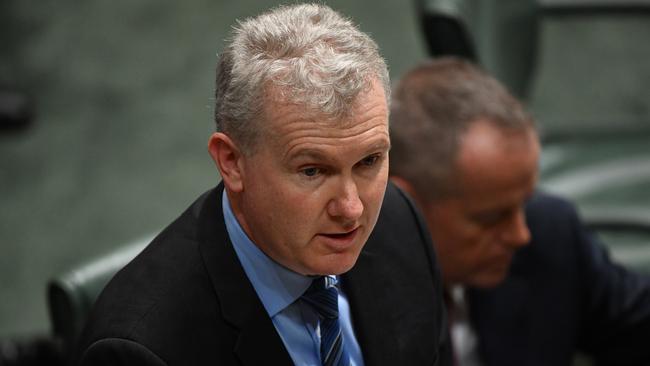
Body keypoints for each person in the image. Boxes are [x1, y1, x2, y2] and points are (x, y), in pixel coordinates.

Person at [74, 4, 448, 366]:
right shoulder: (140, 352)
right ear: (231, 162)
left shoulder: (401, 224)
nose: (352, 209)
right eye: (312, 171)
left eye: (369, 161)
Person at [389, 57, 650, 366]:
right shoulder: (342, 299)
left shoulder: (549, 233)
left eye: (524, 202)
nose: (520, 234)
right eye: (491, 218)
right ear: (404, 205)